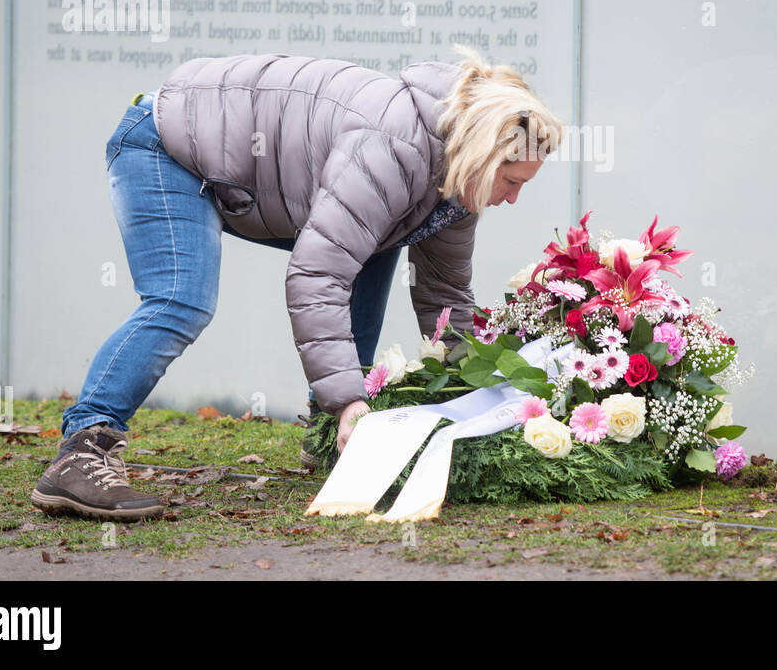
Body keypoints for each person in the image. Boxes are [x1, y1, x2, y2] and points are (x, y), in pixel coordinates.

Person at [29, 46, 565, 521]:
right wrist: (352, 404)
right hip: (166, 142)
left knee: (373, 243)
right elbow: (318, 273)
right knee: (180, 297)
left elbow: (444, 297)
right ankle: (83, 447)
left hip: (247, 170)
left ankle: (327, 437)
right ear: (483, 155)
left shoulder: (453, 179)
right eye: (511, 181)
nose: (512, 198)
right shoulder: (391, 148)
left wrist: (479, 400)